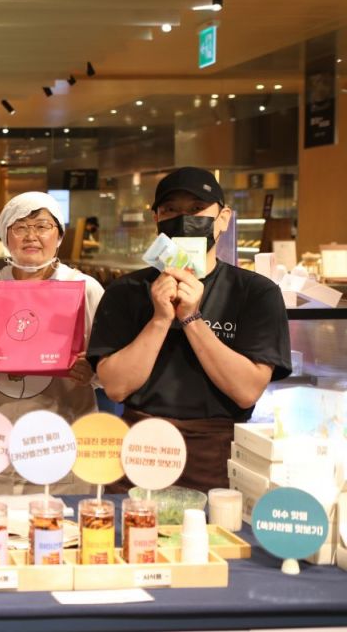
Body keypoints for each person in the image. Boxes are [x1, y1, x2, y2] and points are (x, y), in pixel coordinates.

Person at [87, 167, 292, 493]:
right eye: (171, 210)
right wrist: (159, 320)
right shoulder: (125, 291)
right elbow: (115, 388)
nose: (184, 220)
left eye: (197, 209)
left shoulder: (255, 292)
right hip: (140, 452)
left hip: (218, 458)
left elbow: (246, 390)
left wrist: (192, 318)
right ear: (156, 218)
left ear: (223, 218)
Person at [0, 192, 105, 495]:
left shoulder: (84, 289)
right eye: (20, 227)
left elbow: (111, 371)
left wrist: (91, 371)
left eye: (42, 226)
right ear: (6, 236)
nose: (31, 236)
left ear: (59, 235)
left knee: (56, 522)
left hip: (57, 441)